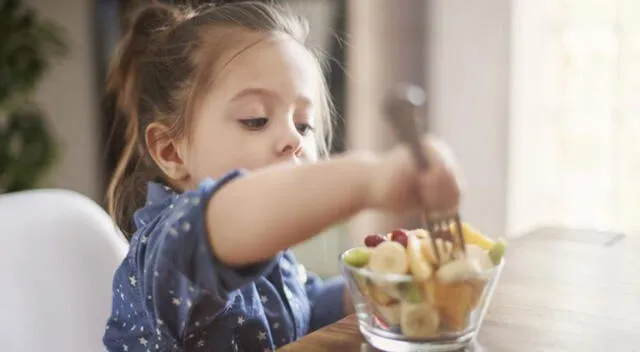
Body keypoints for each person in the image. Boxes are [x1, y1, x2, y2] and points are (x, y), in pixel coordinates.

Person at [102, 1, 463, 351]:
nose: (293, 138)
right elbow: (232, 214)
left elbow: (299, 308)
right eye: (256, 120)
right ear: (170, 151)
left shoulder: (270, 253)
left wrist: (371, 288)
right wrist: (370, 178)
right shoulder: (167, 249)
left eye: (304, 125)